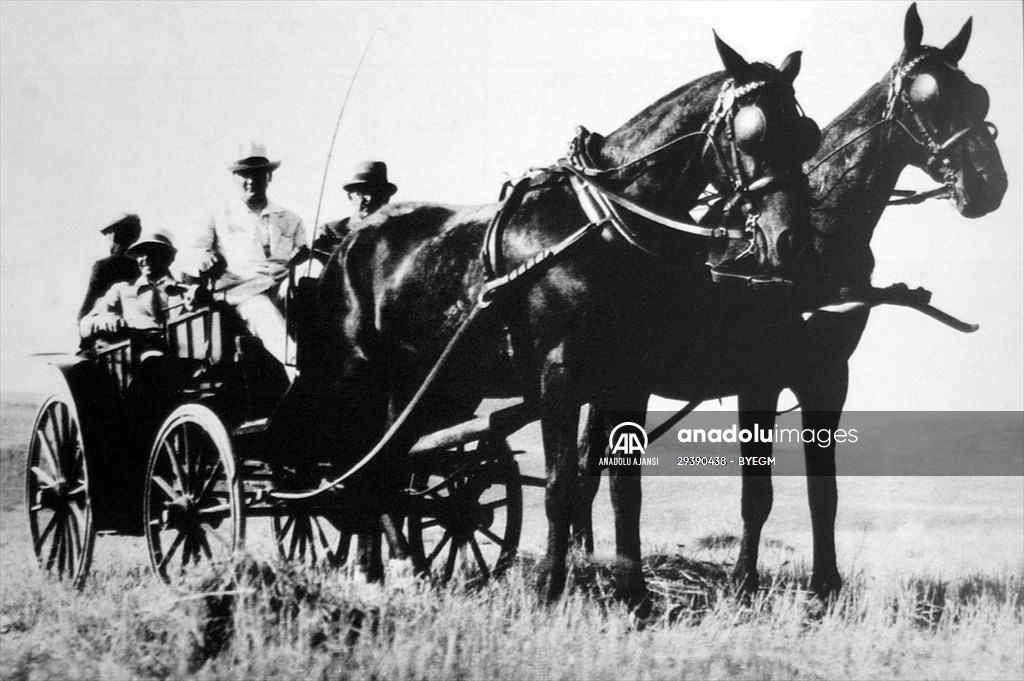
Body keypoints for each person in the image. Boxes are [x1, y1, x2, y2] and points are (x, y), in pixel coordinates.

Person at [191, 142, 307, 367]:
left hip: (283, 288)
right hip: (242, 292)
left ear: (269, 177)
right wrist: (205, 255)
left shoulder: (290, 219)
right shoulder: (219, 215)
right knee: (262, 310)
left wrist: (302, 257)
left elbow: (302, 254)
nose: (251, 180)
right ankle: (297, 367)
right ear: (234, 177)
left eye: (258, 174)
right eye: (244, 174)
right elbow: (195, 250)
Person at [79, 229, 203, 354]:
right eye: (140, 253)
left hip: (182, 357)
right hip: (138, 360)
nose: (146, 258)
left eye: (153, 252)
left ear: (168, 258)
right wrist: (105, 321)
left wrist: (197, 304)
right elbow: (84, 325)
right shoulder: (122, 290)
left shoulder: (185, 291)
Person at [311, 160, 397, 262]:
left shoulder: (395, 235)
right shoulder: (331, 231)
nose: (369, 199)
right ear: (350, 197)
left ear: (386, 199)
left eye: (376, 193)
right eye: (362, 192)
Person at [77, 214, 143, 331]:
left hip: (114, 334)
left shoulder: (104, 266)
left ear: (114, 235)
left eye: (107, 234)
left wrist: (84, 343)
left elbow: (88, 307)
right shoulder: (145, 265)